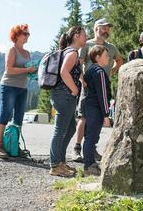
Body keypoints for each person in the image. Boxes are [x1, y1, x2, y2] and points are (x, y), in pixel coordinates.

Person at [73, 18, 123, 162]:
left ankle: (91, 149)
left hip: (103, 87)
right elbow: (79, 64)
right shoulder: (86, 45)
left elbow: (119, 61)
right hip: (88, 87)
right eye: (103, 27)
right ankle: (77, 148)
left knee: (98, 118)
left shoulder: (111, 47)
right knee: (84, 117)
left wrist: (110, 73)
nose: (106, 30)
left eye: (108, 28)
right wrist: (82, 80)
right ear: (96, 29)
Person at [49, 26, 87, 177]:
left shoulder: (70, 52)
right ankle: (55, 165)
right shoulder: (71, 53)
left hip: (64, 96)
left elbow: (70, 72)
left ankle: (61, 162)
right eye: (84, 34)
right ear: (76, 36)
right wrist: (75, 90)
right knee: (59, 131)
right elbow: (64, 72)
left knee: (71, 128)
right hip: (64, 96)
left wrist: (81, 81)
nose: (86, 37)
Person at [0, 24, 35, 159]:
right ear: (17, 35)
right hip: (9, 86)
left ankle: (13, 145)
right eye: (25, 33)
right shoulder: (12, 50)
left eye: (28, 33)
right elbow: (9, 70)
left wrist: (33, 73)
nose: (27, 36)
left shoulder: (27, 53)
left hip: (22, 88)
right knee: (5, 115)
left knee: (18, 118)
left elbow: (27, 71)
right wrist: (27, 70)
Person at [82, 45, 112, 176]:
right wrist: (106, 114)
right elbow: (103, 94)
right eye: (106, 55)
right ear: (97, 57)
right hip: (95, 108)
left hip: (89, 106)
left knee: (89, 136)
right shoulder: (99, 72)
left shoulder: (90, 70)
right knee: (92, 138)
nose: (108, 58)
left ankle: (89, 163)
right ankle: (89, 166)